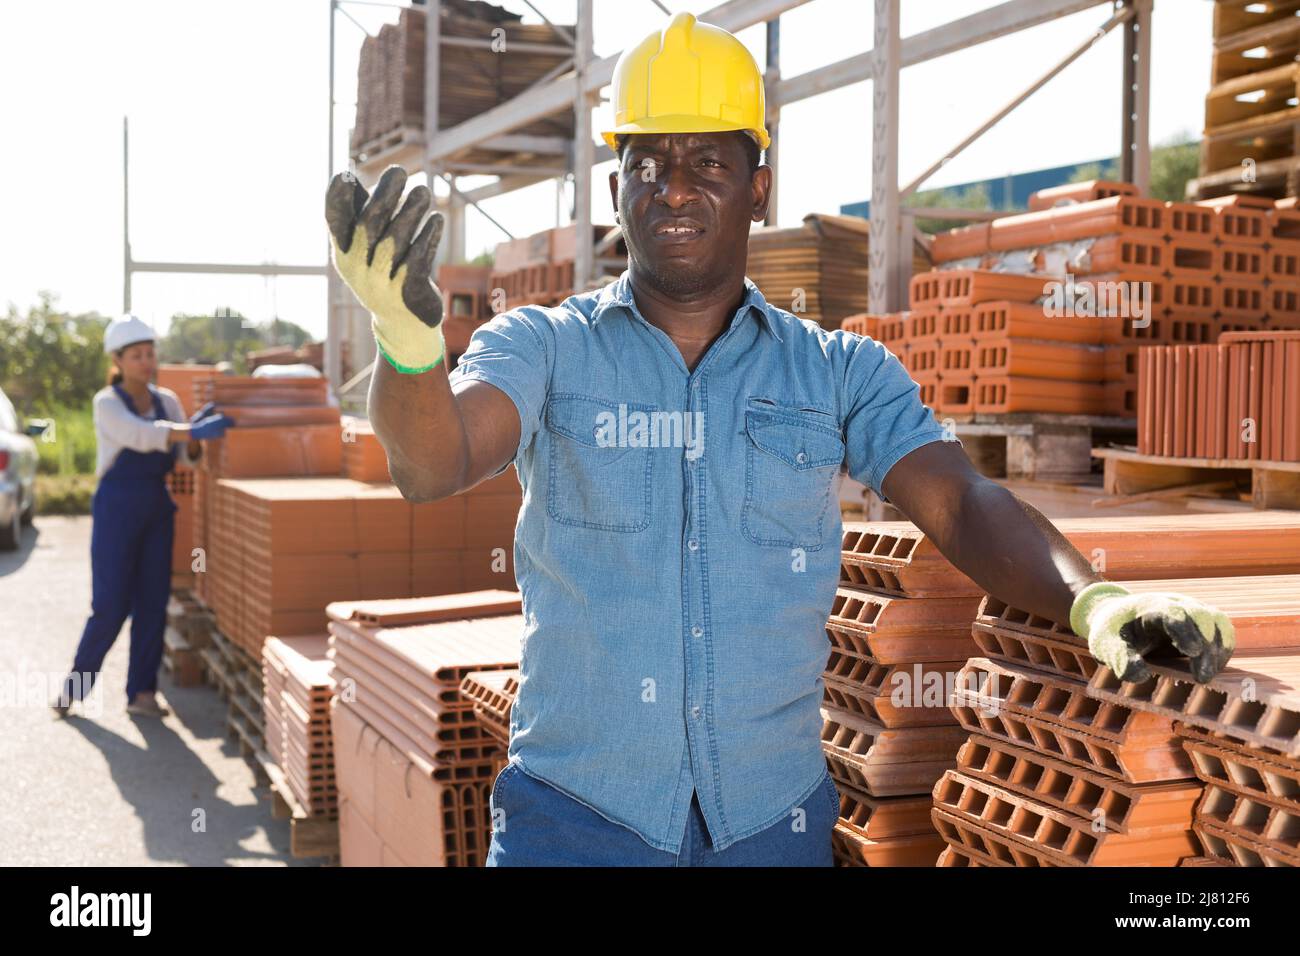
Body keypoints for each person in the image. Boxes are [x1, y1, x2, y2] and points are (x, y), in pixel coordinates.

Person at [325, 13, 1234, 866]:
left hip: (768, 825)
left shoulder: (839, 373)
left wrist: (1093, 601)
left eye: (708, 163)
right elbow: (431, 461)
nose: (673, 188)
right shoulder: (545, 347)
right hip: (574, 820)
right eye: (647, 165)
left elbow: (962, 502)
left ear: (761, 187)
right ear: (616, 191)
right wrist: (408, 351)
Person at [53, 315, 234, 719]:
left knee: (153, 602)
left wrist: (199, 443)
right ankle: (73, 689)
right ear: (117, 360)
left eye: (150, 354)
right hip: (117, 509)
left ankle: (142, 694)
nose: (146, 361)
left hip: (156, 508)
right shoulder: (106, 403)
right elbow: (141, 435)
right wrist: (190, 432)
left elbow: (183, 458)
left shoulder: (167, 400)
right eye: (137, 355)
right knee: (111, 604)